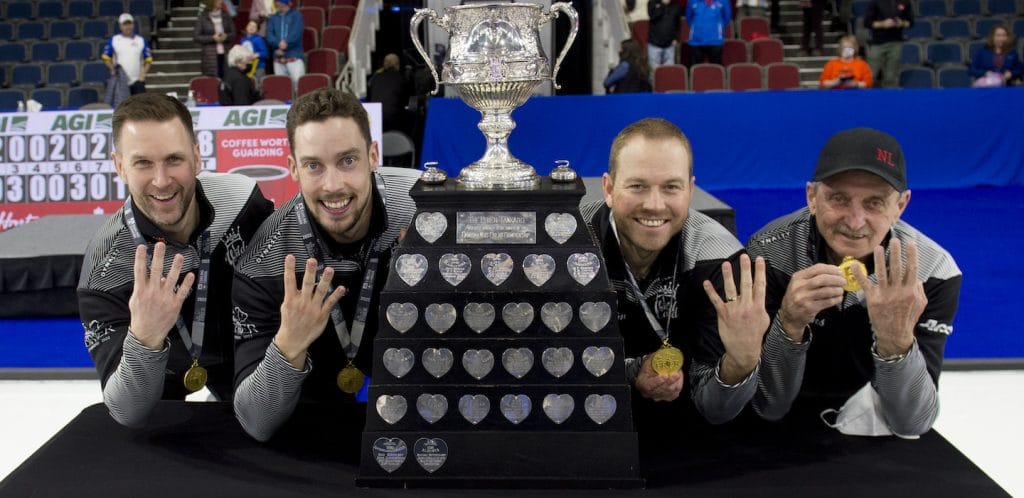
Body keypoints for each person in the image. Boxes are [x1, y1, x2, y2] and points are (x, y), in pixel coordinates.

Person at [747, 128, 962, 437]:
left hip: (877, 429)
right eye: (839, 199)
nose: (855, 220)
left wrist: (896, 341)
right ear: (812, 197)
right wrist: (789, 323)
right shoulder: (769, 252)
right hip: (778, 429)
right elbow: (768, 406)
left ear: (900, 205)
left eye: (874, 203)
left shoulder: (933, 271)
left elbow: (912, 423)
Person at [232, 88, 419, 442]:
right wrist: (289, 344)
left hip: (415, 408)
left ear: (373, 155)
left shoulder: (423, 214)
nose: (333, 185)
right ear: (292, 168)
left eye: (348, 160)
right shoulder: (264, 259)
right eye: (314, 166)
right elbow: (256, 422)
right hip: (314, 421)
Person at [78, 93, 275, 428]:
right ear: (119, 166)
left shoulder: (243, 202)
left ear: (196, 157)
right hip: (162, 370)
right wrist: (145, 336)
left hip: (242, 352)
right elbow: (126, 411)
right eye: (143, 163)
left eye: (174, 160)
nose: (161, 180)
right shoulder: (104, 270)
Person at [580, 118, 771, 441]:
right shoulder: (571, 243)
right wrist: (631, 370)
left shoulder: (722, 261)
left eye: (671, 187)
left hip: (686, 440)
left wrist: (741, 364)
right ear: (609, 189)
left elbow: (716, 410)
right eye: (637, 186)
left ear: (690, 190)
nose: (655, 204)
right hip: (586, 433)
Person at [863, 0, 912, 88]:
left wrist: (901, 23)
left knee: (890, 77)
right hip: (877, 43)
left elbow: (910, 22)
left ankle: (888, 99)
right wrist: (883, 24)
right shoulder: (875, 2)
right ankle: (865, 98)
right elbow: (867, 23)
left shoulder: (905, 2)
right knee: (870, 75)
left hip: (896, 43)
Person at [102, 13, 153, 96]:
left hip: (137, 81)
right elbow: (106, 57)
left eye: (129, 24)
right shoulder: (115, 40)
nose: (127, 27)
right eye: (125, 24)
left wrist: (143, 74)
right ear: (120, 26)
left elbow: (148, 59)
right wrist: (112, 70)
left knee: (140, 106)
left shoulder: (140, 40)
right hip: (121, 82)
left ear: (133, 25)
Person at [266, 0, 306, 88]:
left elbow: (296, 33)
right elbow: (269, 36)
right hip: (278, 58)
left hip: (294, 56)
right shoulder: (273, 18)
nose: (277, 4)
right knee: (281, 87)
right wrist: (278, 44)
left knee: (298, 85)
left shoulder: (296, 15)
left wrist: (285, 44)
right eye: (276, 2)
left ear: (286, 3)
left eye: (279, 2)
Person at [366, 53, 410, 133]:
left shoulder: (375, 77)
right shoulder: (401, 79)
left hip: (374, 117)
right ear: (397, 65)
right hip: (392, 119)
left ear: (384, 64)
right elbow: (405, 100)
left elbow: (370, 96)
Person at [194, 0, 236, 78]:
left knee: (226, 78)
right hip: (210, 57)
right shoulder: (203, 17)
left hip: (225, 53)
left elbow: (233, 33)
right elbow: (196, 37)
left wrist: (226, 36)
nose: (221, 1)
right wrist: (212, 38)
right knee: (213, 81)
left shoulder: (226, 15)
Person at [686, 0, 731, 65]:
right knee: (695, 69)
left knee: (716, 69)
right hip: (696, 40)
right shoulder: (691, 1)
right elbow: (689, 18)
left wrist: (717, 27)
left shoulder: (724, 1)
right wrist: (696, 27)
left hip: (715, 40)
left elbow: (727, 17)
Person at [648, 0, 684, 68]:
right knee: (653, 73)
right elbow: (653, 16)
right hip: (654, 44)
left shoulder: (675, 6)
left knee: (669, 73)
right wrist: (663, 4)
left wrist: (676, 38)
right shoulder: (652, 3)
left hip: (669, 45)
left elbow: (678, 24)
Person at [240, 20, 270, 84]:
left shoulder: (259, 39)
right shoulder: (243, 39)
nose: (251, 27)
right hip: (246, 66)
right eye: (250, 25)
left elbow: (265, 53)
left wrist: (256, 55)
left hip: (258, 67)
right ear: (246, 27)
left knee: (258, 86)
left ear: (257, 29)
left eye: (254, 26)